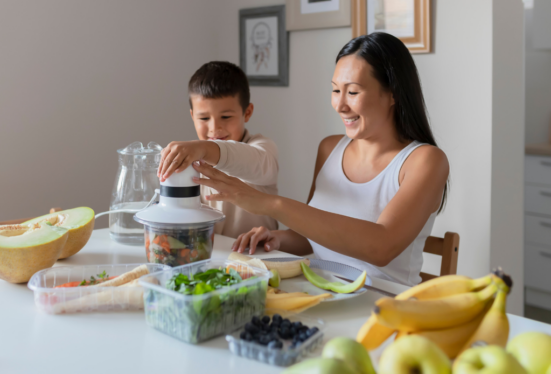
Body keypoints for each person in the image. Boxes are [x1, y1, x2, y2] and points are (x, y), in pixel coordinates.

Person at [192, 33, 450, 286]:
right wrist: (278, 238)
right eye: (336, 90)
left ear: (393, 93)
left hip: (385, 305)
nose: (339, 105)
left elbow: (380, 247)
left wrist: (270, 204)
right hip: (323, 290)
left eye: (353, 92)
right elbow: (312, 235)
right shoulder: (330, 148)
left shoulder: (425, 161)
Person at [157, 61, 279, 238]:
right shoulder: (190, 159)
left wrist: (205, 148)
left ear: (247, 112)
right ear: (192, 115)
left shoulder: (262, 148)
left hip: (258, 258)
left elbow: (257, 163)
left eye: (226, 116)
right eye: (204, 118)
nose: (214, 128)